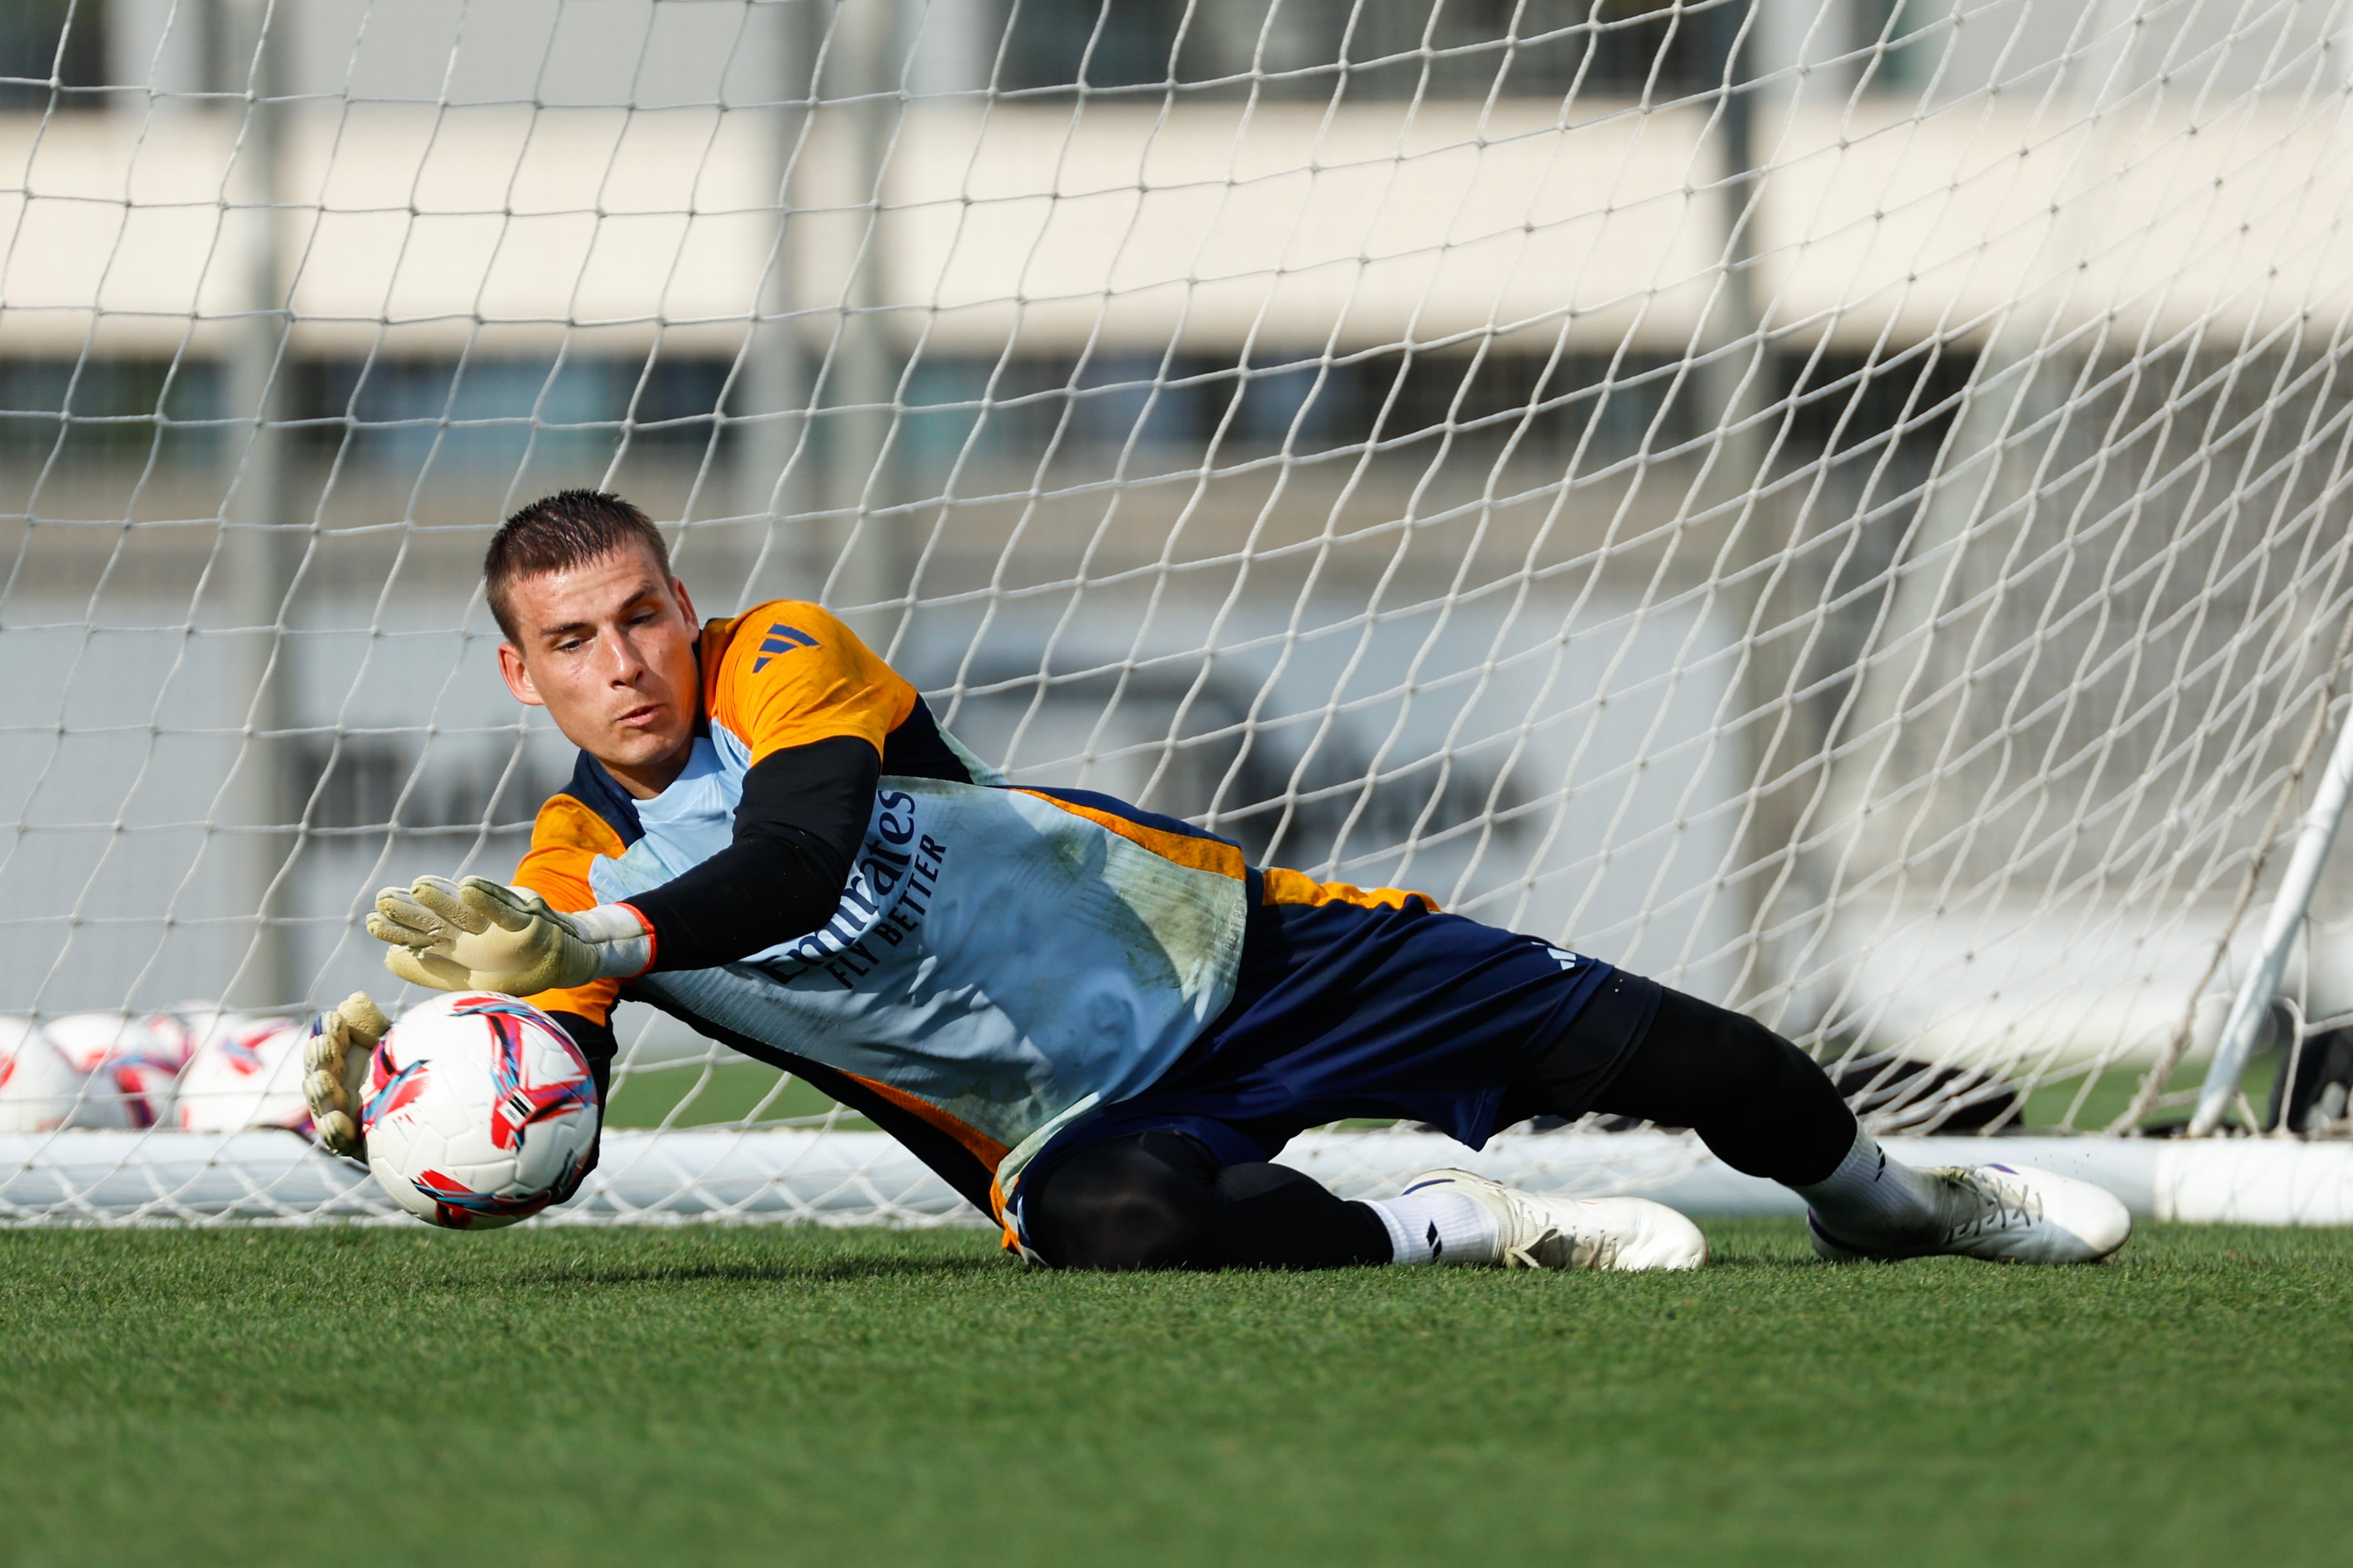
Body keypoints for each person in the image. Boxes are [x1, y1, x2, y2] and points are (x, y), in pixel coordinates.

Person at [305, 490, 2132, 1270]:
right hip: (1064, 1124)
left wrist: (603, 940)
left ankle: (1890, 1202)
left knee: (1721, 1070)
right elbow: (556, 1112)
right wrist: (398, 1114)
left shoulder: (784, 657)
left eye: (641, 613)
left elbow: (796, 859)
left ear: (686, 608)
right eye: (573, 638)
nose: (623, 659)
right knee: (1125, 1236)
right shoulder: (550, 875)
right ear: (518, 675)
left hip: (1251, 954)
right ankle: (1452, 1224)